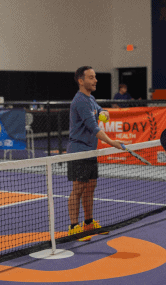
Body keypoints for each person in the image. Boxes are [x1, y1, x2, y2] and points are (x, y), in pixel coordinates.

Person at [68, 66, 123, 241]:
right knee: (78, 189)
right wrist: (113, 143)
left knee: (90, 188)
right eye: (91, 77)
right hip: (79, 152)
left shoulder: (90, 98)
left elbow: (99, 110)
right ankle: (73, 227)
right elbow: (94, 128)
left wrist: (103, 111)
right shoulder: (80, 101)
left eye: (95, 77)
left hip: (90, 151)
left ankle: (89, 223)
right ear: (81, 81)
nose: (95, 80)